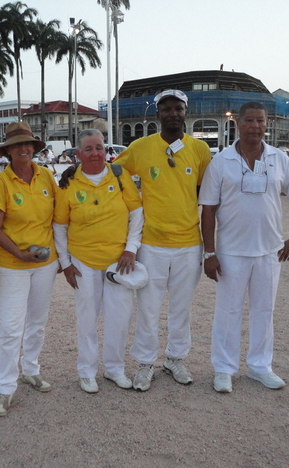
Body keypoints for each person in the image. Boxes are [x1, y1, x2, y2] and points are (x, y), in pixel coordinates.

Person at [199, 101, 289, 394]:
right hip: (231, 252)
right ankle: (224, 369)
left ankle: (261, 367)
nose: (255, 126)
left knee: (264, 310)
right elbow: (208, 210)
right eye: (249, 120)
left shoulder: (279, 159)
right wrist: (209, 253)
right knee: (228, 312)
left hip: (269, 251)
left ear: (266, 124)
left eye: (260, 121)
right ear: (238, 123)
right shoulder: (221, 161)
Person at [114, 89, 212, 391]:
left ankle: (175, 359)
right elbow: (113, 170)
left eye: (178, 108)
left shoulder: (199, 150)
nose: (173, 113)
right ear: (157, 114)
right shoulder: (140, 147)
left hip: (188, 244)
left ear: (186, 113)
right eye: (166, 109)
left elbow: (206, 192)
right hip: (152, 244)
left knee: (181, 308)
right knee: (148, 308)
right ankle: (145, 363)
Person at [54, 129, 144, 394]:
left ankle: (115, 369)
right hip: (83, 261)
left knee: (119, 317)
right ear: (78, 154)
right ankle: (87, 372)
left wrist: (131, 248)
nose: (95, 153)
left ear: (106, 151)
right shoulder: (68, 183)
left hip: (119, 262)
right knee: (87, 318)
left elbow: (136, 213)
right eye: (89, 149)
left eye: (99, 147)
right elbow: (59, 227)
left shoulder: (119, 176)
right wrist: (66, 263)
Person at [0, 121, 59, 417]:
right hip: (13, 264)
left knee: (38, 321)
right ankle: (5, 388)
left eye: (27, 144)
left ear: (34, 147)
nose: (23, 149)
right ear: (8, 151)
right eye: (17, 145)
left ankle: (30, 369)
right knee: (11, 327)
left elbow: (60, 216)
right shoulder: (0, 182)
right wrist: (19, 253)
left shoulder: (47, 177)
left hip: (45, 262)